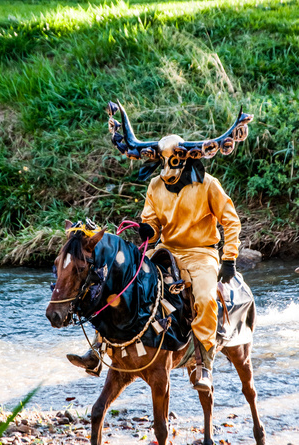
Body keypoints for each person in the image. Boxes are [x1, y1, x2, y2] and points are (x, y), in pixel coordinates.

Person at [67, 101, 253, 392]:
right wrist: (147, 230)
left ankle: (204, 362)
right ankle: (99, 349)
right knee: (119, 283)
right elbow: (150, 222)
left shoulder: (208, 185)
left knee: (204, 297)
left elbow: (231, 221)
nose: (167, 168)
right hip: (163, 250)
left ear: (186, 160)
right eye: (163, 162)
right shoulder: (155, 186)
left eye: (173, 162)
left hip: (201, 253)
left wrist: (228, 258)